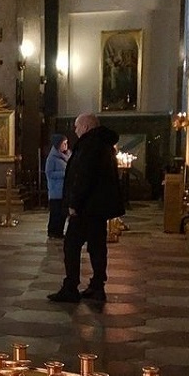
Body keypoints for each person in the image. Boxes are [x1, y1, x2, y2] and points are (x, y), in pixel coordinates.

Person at [48, 112, 125, 304]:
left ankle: (71, 287)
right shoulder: (103, 144)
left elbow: (83, 177)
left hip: (86, 208)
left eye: (77, 126)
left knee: (71, 246)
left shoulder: (90, 145)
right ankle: (97, 286)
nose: (75, 130)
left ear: (86, 127)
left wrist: (74, 203)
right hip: (98, 208)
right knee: (97, 247)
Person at [44, 133, 70, 239]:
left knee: (62, 213)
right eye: (64, 143)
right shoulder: (52, 158)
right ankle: (53, 232)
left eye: (66, 143)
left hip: (63, 190)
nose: (66, 145)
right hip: (56, 191)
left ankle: (59, 231)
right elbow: (49, 173)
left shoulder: (65, 156)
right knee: (56, 213)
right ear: (58, 144)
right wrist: (64, 174)